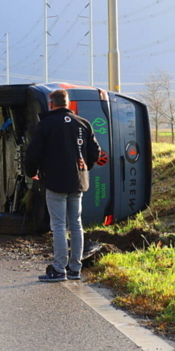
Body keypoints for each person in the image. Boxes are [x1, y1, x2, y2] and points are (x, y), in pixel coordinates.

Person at [25, 89, 103, 282]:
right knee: (76, 223)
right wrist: (84, 168)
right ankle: (75, 268)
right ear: (68, 103)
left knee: (58, 225)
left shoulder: (46, 124)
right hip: (78, 180)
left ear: (51, 103)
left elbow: (33, 152)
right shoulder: (83, 123)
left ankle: (59, 269)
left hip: (54, 180)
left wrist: (32, 172)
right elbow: (95, 152)